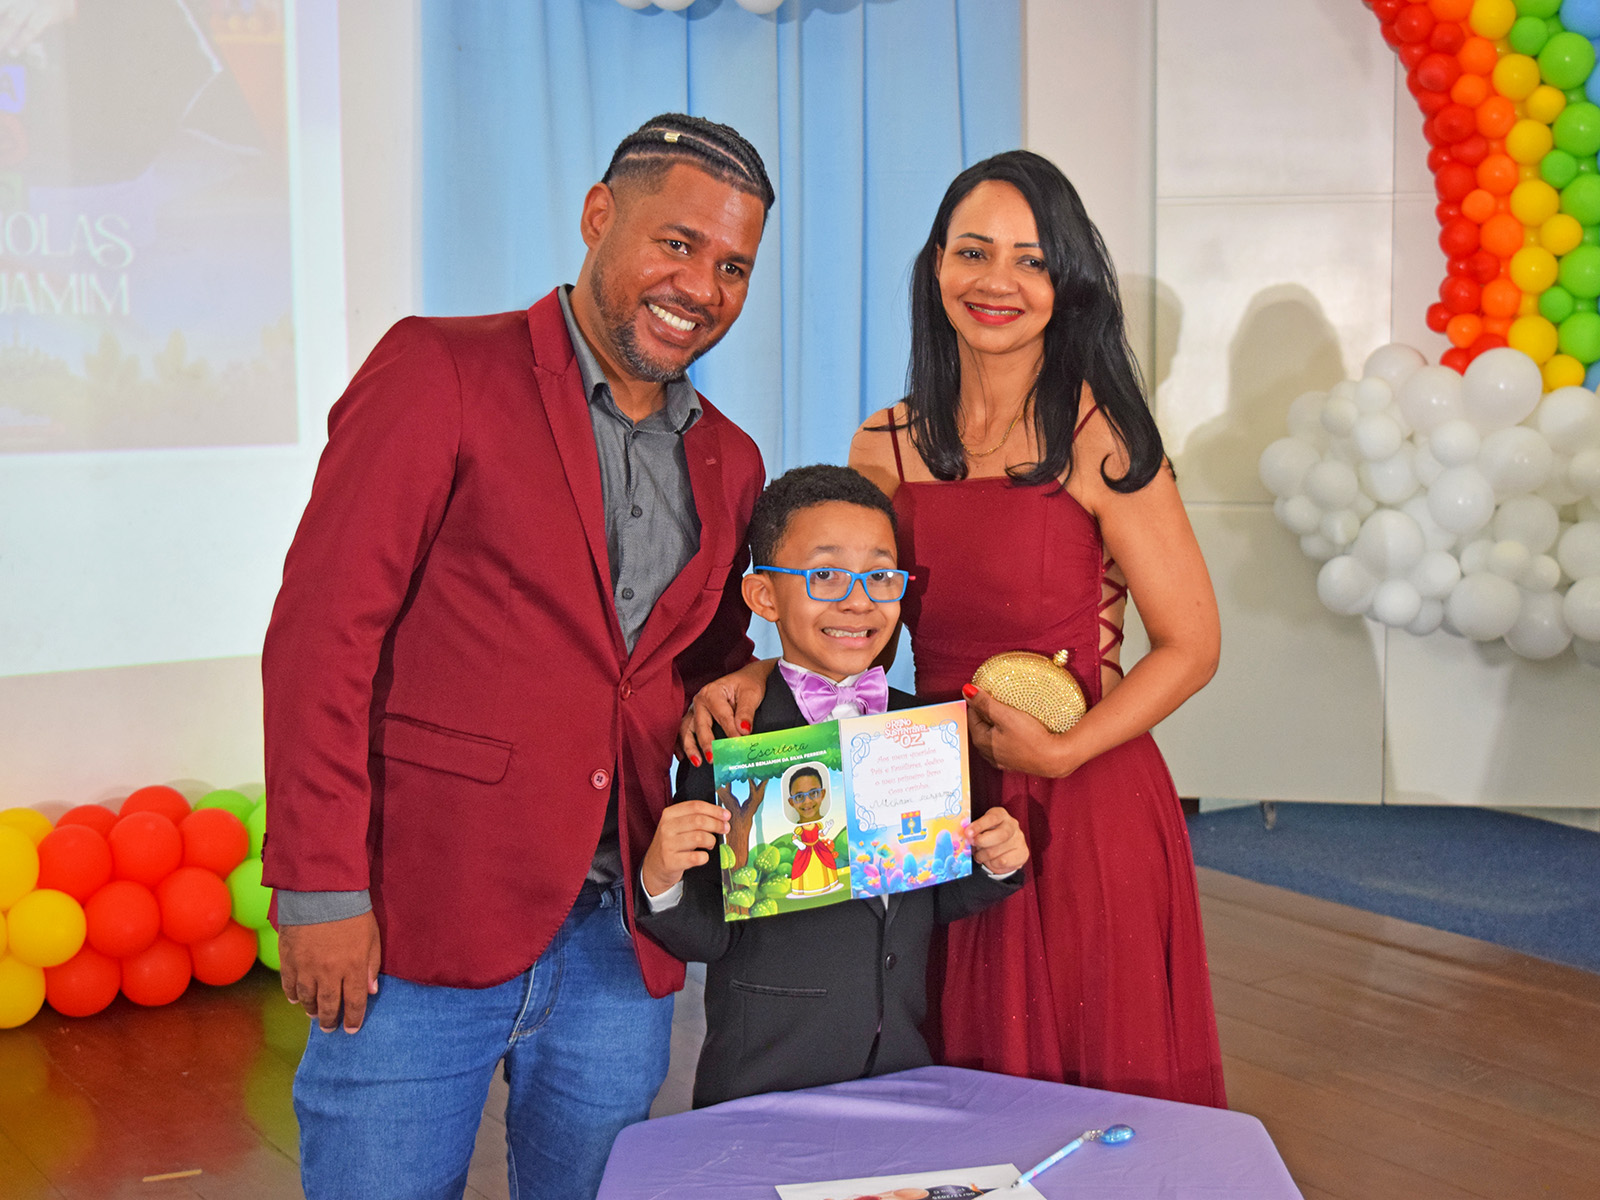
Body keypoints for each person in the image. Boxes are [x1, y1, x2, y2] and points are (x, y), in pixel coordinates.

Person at [260, 113, 774, 1200]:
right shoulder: (439, 368)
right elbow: (321, 635)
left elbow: (692, 665)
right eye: (676, 243)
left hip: (619, 941)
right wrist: (318, 888)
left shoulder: (732, 460)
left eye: (733, 266)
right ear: (598, 216)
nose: (701, 286)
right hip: (418, 922)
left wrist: (745, 676)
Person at [684, 151, 1227, 1108]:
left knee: (1088, 1090)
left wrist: (1061, 755)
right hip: (921, 797)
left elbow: (1193, 646)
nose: (996, 282)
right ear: (936, 265)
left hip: (1082, 798)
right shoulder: (883, 442)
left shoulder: (1103, 435)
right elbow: (847, 614)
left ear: (1066, 282)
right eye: (973, 252)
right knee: (936, 1077)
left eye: (1031, 260)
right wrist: (760, 673)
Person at [637, 465, 1028, 1110]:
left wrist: (993, 864)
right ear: (763, 596)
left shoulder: (921, 727)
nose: (858, 600)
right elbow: (711, 937)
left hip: (899, 1066)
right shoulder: (729, 733)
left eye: (881, 575)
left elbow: (922, 895)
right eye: (825, 576)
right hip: (765, 1078)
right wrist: (662, 879)